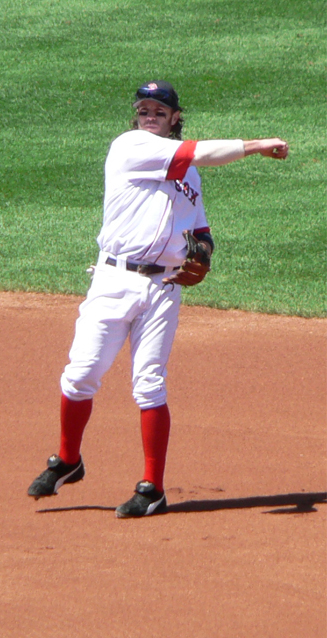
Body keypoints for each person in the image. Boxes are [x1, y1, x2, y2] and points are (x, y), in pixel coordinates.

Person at [27, 80, 289, 518]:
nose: (150, 115)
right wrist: (258, 145)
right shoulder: (130, 146)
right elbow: (198, 151)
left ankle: (152, 489)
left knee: (149, 383)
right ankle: (68, 460)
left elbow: (201, 230)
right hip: (113, 281)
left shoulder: (190, 175)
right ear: (137, 117)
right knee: (81, 374)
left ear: (174, 117)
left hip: (163, 288)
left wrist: (203, 252)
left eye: (159, 110)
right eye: (144, 108)